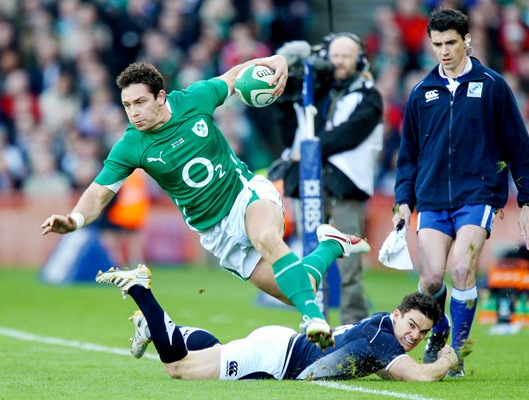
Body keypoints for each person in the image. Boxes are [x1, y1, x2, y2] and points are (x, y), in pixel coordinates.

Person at [40, 57, 372, 350]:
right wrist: (75, 219)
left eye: (140, 102)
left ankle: (313, 319)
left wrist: (276, 60)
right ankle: (331, 245)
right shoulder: (132, 145)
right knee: (298, 285)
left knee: (266, 238)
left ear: (160, 97)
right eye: (128, 105)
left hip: (245, 194)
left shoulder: (195, 99)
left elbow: (235, 75)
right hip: (216, 232)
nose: (134, 112)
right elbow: (99, 191)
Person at [393, 9, 529, 377]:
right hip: (430, 196)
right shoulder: (421, 92)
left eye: (450, 43)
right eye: (437, 44)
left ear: (467, 41)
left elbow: (518, 146)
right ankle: (439, 329)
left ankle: (455, 354)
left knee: (461, 267)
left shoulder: (492, 86)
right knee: (430, 279)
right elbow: (408, 153)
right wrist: (403, 200)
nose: (444, 51)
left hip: (477, 195)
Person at [95, 264, 459, 381]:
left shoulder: (383, 327)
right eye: (411, 325)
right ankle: (142, 291)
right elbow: (423, 375)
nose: (414, 336)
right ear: (397, 314)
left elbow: (384, 366)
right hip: (275, 358)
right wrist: (447, 359)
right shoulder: (385, 338)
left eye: (422, 332)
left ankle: (156, 329)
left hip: (279, 348)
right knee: (178, 368)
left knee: (215, 352)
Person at [274, 33, 384, 324]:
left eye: (346, 55)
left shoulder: (369, 95)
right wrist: (289, 84)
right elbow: (287, 132)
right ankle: (313, 319)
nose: (338, 62)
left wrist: (310, 150)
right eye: (334, 55)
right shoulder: (314, 91)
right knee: (310, 257)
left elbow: (349, 134)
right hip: (310, 183)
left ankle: (352, 325)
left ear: (359, 60)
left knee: (349, 264)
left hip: (345, 186)